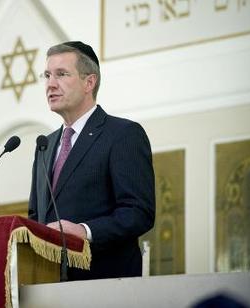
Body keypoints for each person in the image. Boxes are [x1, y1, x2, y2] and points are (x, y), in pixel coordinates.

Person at [28, 41, 156, 281]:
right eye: (47, 76)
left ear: (89, 82)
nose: (50, 84)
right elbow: (37, 218)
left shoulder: (122, 134)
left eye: (61, 74)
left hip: (105, 281)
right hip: (48, 283)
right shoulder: (44, 146)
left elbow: (139, 212)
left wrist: (85, 231)